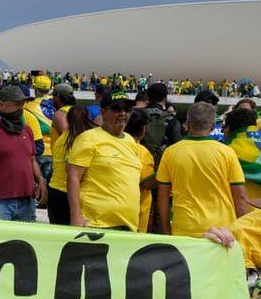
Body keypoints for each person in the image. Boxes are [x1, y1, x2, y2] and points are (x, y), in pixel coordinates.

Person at [155, 101, 250, 238]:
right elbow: (240, 197)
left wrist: (166, 231)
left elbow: (163, 196)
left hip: (184, 229)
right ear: (212, 126)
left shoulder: (170, 152)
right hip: (222, 232)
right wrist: (245, 234)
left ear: (187, 124)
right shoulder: (227, 153)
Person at [65, 94, 147, 230]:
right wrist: (75, 216)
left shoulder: (130, 141)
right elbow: (73, 177)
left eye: (127, 109)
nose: (122, 113)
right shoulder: (88, 138)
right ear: (103, 112)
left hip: (128, 225)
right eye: (117, 109)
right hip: (97, 224)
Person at [0, 84, 45, 222]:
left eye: (23, 103)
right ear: (1, 105)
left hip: (27, 201)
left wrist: (40, 179)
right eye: (18, 104)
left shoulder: (27, 130)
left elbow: (32, 160)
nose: (22, 108)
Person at [140, 81, 182, 160]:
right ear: (165, 98)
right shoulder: (171, 119)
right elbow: (178, 146)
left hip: (139, 163)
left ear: (148, 97)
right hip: (163, 165)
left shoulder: (137, 115)